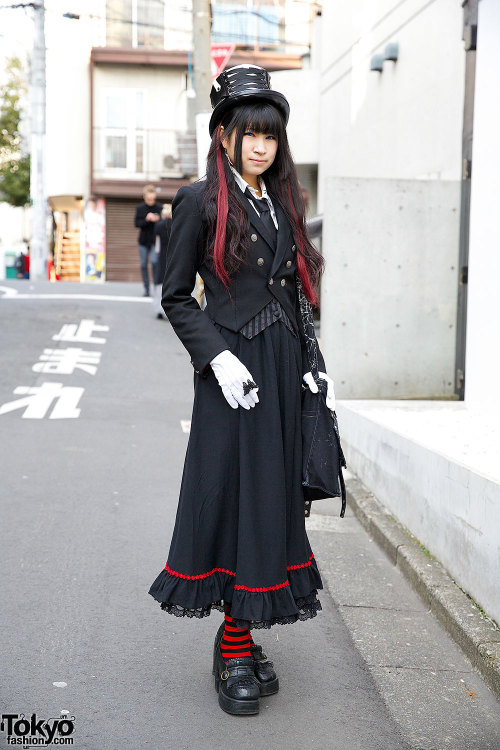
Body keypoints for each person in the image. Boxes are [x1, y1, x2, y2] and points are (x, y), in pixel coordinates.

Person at [148, 64, 336, 716]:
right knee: (233, 501)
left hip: (282, 373)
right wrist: (218, 361)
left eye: (271, 136)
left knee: (271, 501)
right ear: (224, 133)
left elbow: (291, 291)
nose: (261, 146)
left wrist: (312, 361)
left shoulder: (284, 203)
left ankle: (241, 636)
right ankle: (233, 647)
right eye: (249, 132)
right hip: (233, 376)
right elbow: (175, 297)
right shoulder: (199, 201)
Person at [134, 185, 163, 296]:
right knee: (143, 264)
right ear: (144, 197)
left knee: (155, 263)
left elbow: (163, 223)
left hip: (155, 241)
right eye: (149, 199)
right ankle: (146, 289)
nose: (151, 201)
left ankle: (156, 287)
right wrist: (147, 219)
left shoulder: (159, 208)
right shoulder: (140, 208)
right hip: (143, 241)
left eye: (153, 199)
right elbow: (136, 224)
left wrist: (157, 219)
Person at [152, 204, 172, 319]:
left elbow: (156, 244)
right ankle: (169, 310)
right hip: (173, 257)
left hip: (162, 256)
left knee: (160, 282)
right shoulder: (176, 225)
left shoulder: (159, 226)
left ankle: (159, 309)